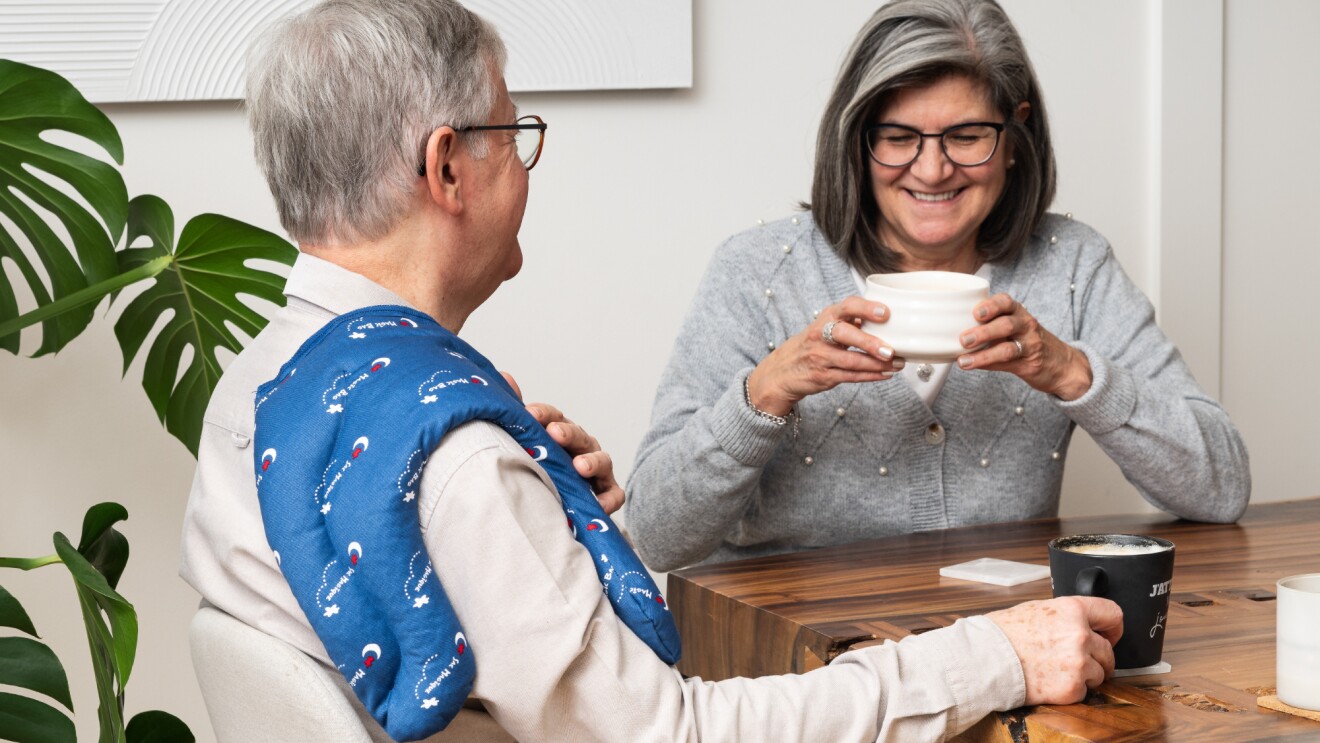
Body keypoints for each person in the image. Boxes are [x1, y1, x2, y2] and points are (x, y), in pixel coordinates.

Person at [179, 0, 1125, 740]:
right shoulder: (459, 460)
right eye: (513, 134)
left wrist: (540, 519)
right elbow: (672, 733)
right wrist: (989, 656)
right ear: (449, 169)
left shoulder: (260, 381)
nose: (526, 163)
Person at [626, 0, 1251, 573]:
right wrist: (764, 394)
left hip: (1008, 650)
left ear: (1015, 137)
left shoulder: (1071, 264)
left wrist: (1068, 371)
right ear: (857, 141)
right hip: (794, 667)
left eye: (967, 136)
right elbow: (656, 535)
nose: (932, 169)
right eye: (898, 138)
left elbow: (1221, 488)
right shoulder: (758, 272)